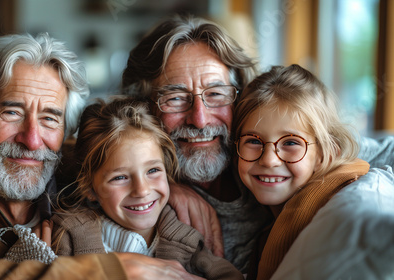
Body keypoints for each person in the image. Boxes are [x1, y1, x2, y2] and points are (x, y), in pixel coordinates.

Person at [0, 33, 204, 280]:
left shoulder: (77, 166)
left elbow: (136, 169)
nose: (32, 140)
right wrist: (103, 271)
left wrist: (177, 188)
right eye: (12, 112)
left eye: (49, 119)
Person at [120, 14, 394, 274]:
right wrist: (162, 183)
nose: (200, 120)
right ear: (144, 109)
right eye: (176, 98)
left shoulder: (284, 141)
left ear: (238, 98)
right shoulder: (136, 191)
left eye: (216, 94)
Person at [4, 97, 244, 280]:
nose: (141, 190)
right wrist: (34, 258)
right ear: (90, 188)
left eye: (152, 171)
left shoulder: (185, 240)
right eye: (119, 177)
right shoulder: (68, 235)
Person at [231, 64, 370, 279]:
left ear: (326, 154)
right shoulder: (265, 230)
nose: (269, 160)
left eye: (291, 143)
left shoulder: (325, 212)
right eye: (253, 140)